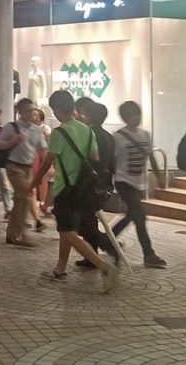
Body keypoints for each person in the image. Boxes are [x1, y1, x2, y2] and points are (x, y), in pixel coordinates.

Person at [28, 90, 120, 293]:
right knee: (66, 229)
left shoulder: (59, 133)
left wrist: (32, 183)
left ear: (57, 109)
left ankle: (103, 266)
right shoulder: (87, 131)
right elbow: (95, 159)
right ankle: (60, 268)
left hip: (66, 190)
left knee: (66, 231)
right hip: (85, 190)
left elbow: (46, 164)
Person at [111, 100, 167, 268]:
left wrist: (159, 176)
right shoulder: (118, 137)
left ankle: (107, 240)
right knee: (140, 216)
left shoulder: (145, 135)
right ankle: (148, 254)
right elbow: (112, 161)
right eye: (133, 114)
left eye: (138, 114)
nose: (137, 118)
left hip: (138, 182)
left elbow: (151, 156)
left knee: (132, 215)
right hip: (123, 181)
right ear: (125, 117)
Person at [0, 97, 46, 246]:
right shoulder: (10, 127)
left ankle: (11, 235)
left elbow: (43, 149)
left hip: (28, 168)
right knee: (25, 196)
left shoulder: (36, 129)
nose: (31, 113)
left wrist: (49, 166)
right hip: (14, 167)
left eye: (33, 110)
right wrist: (14, 140)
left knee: (20, 199)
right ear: (19, 112)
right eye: (28, 111)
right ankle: (23, 234)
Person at [73, 100, 117, 265]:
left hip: (88, 185)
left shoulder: (87, 134)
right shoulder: (109, 137)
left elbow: (84, 161)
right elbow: (113, 163)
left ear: (88, 116)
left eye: (83, 114)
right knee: (89, 219)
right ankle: (91, 256)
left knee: (84, 223)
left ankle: (109, 246)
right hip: (103, 185)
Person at [33, 108, 54, 214]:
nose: (36, 118)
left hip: (43, 155)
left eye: (38, 116)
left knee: (44, 179)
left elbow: (48, 141)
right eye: (34, 115)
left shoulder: (45, 128)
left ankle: (42, 201)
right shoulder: (29, 128)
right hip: (32, 155)